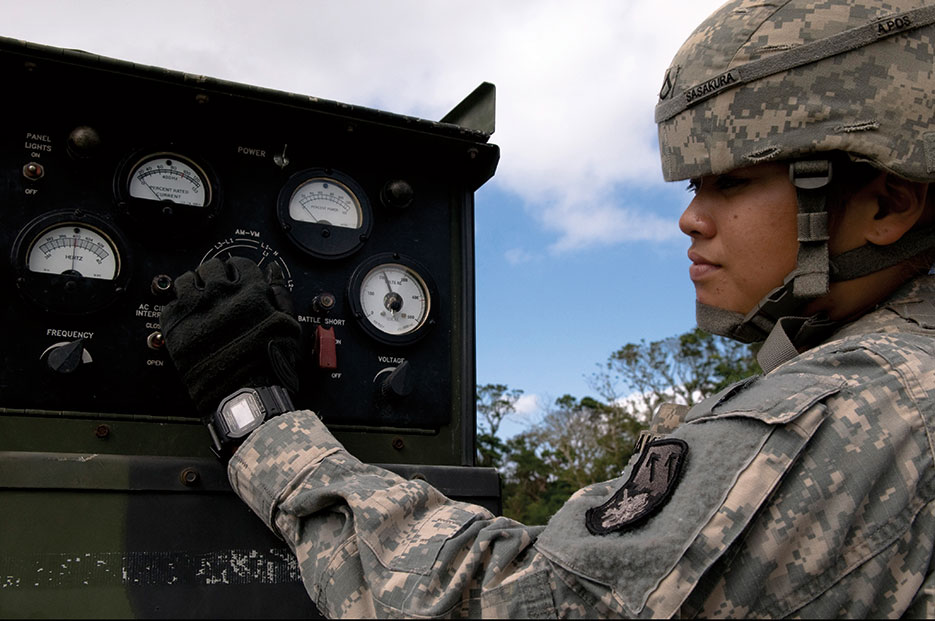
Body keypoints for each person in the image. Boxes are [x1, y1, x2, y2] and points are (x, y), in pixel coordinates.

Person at [160, 0, 935, 617]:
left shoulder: (859, 403)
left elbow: (524, 602)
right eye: (692, 186)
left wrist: (261, 428)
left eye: (730, 183)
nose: (689, 219)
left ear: (886, 204)